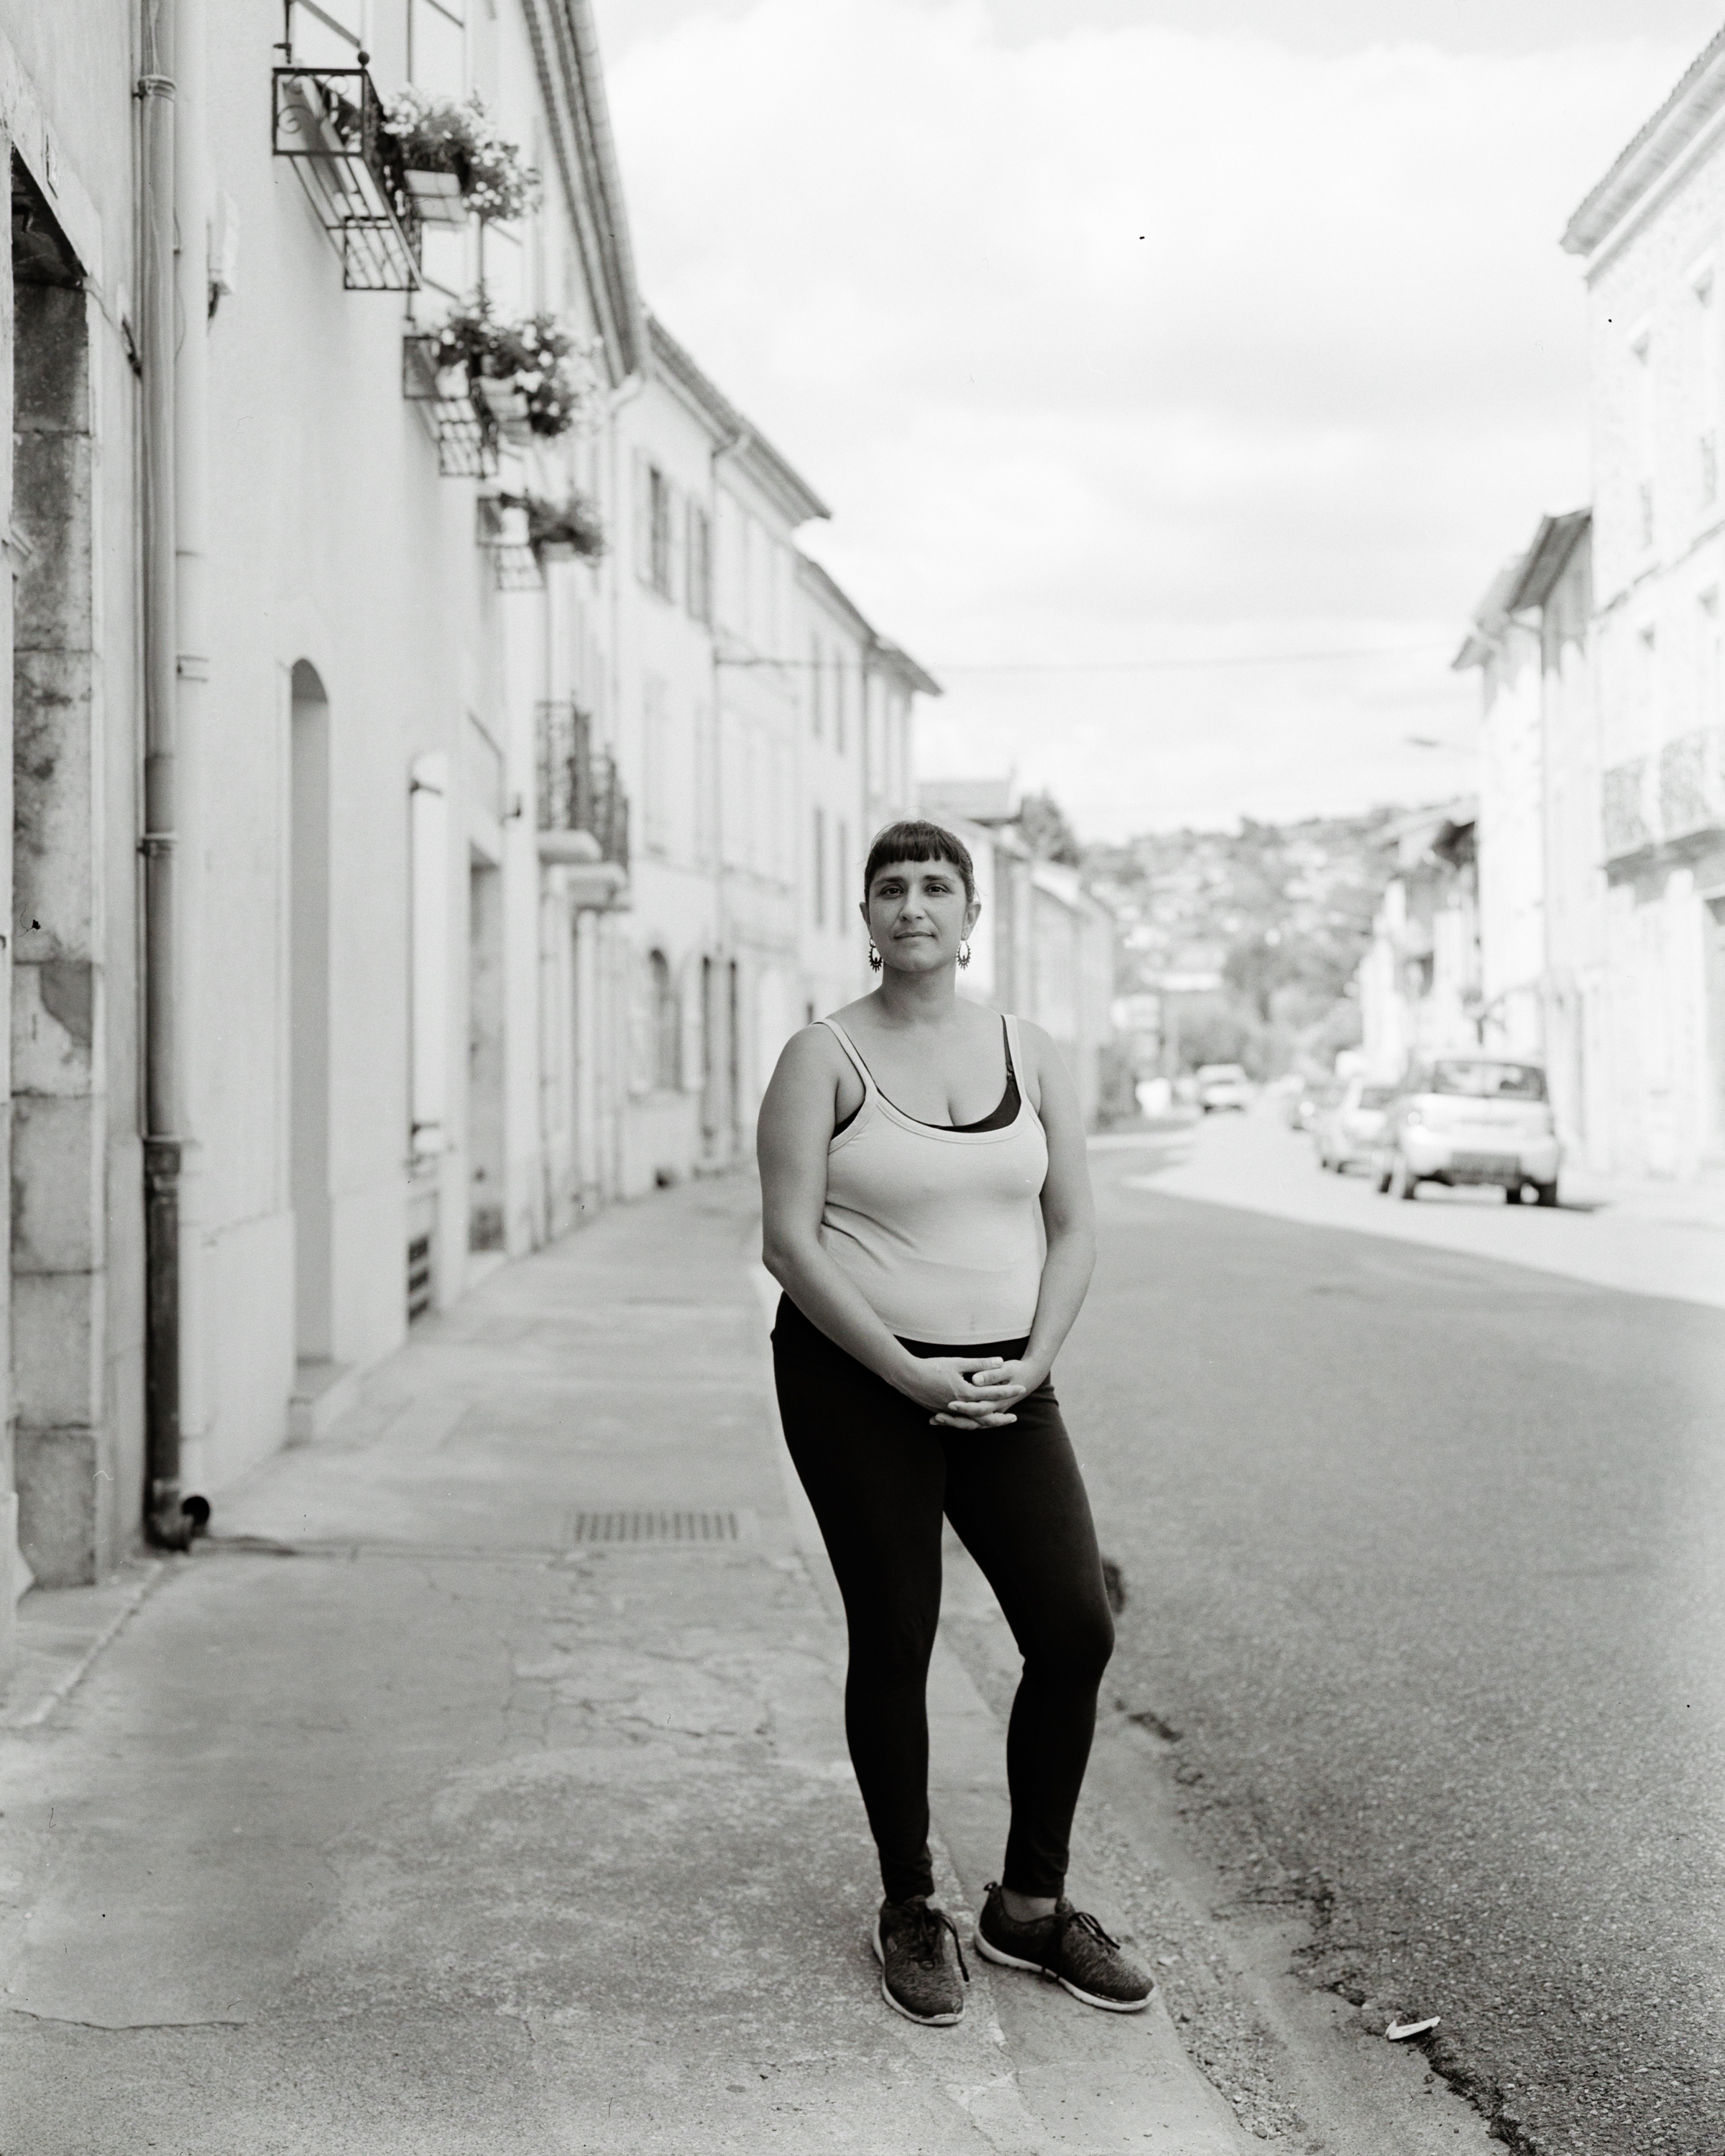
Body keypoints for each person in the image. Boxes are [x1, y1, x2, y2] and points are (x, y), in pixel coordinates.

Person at [757, 817, 1152, 2027]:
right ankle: (909, 1906)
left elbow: (1074, 1226)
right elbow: (789, 1244)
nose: (914, 904)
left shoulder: (1031, 1053)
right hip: (854, 1383)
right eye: (892, 888)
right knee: (898, 1638)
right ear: (867, 919)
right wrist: (908, 1375)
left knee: (1074, 1629)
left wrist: (1032, 1362)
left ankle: (1029, 1908)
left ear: (973, 916)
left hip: (1006, 1385)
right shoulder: (821, 1057)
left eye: (937, 886)